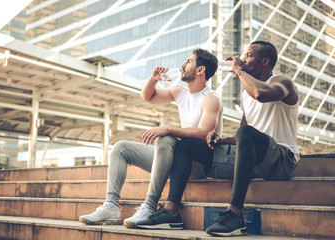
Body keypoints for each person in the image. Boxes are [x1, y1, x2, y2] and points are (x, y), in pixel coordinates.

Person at [136, 41, 299, 236]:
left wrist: (238, 70)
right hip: (252, 161)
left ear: (265, 61)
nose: (243, 59)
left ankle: (234, 213)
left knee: (246, 134)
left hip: (281, 160)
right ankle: (171, 211)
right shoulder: (246, 95)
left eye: (248, 56)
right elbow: (242, 135)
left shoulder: (282, 83)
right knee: (187, 144)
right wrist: (221, 139)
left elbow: (260, 94)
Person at [79, 49, 223, 229]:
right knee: (120, 147)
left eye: (188, 62)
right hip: (176, 159)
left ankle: (149, 206)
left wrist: (168, 128)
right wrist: (153, 79)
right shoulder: (179, 91)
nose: (183, 65)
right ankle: (111, 206)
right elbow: (147, 96)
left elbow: (204, 133)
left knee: (166, 137)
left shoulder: (210, 98)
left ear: (200, 70)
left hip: (196, 165)